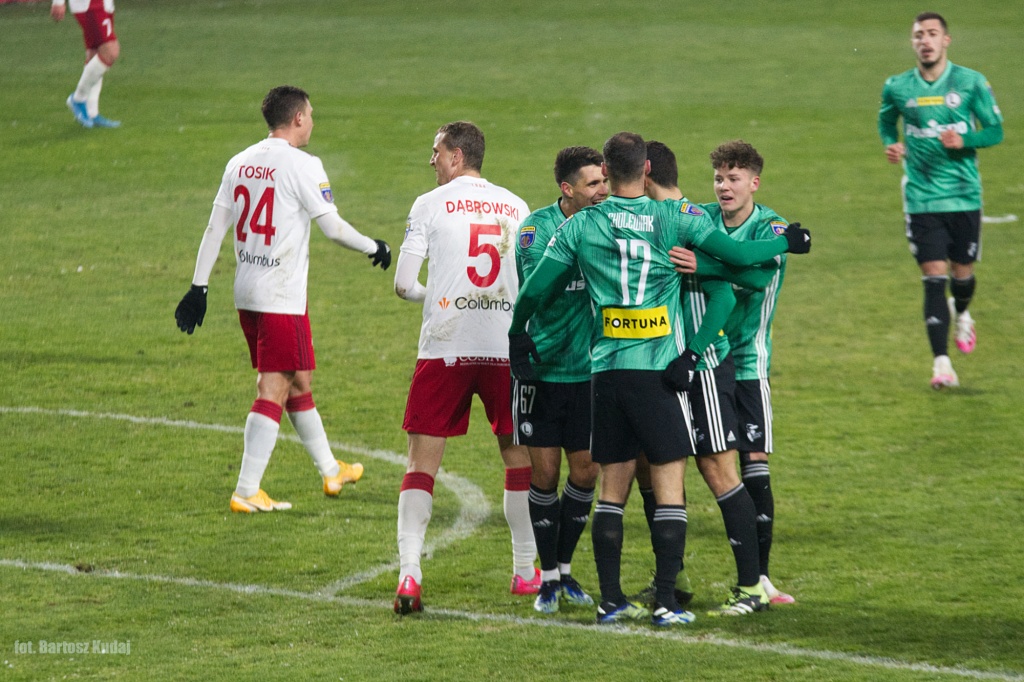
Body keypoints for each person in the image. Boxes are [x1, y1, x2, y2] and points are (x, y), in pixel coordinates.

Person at [509, 132, 810, 627]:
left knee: (613, 489)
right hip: (659, 373)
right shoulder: (676, 218)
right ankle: (668, 600)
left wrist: (518, 335)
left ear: (606, 171)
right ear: (646, 168)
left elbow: (536, 288)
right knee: (670, 485)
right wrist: (787, 242)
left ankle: (611, 601)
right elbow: (735, 259)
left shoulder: (581, 224)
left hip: (604, 373)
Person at [174, 85, 391, 514]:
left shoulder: (240, 161)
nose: (312, 122)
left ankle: (331, 470)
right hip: (280, 296)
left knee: (299, 379)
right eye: (310, 115)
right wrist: (374, 246)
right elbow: (332, 228)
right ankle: (247, 489)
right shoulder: (303, 165)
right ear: (296, 119)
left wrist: (199, 287)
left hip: (247, 292)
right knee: (273, 385)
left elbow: (215, 229)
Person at [392, 121, 536, 615]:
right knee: (518, 459)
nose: (430, 160)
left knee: (421, 466)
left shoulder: (429, 204)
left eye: (435, 152)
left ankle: (410, 574)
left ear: (456, 156)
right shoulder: (518, 206)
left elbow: (405, 283)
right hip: (505, 349)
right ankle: (524, 572)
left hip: (444, 348)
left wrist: (440, 299)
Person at [645, 140, 789, 616]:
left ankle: (756, 581)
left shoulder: (771, 226)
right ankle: (675, 580)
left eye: (733, 178)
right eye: (719, 178)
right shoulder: (698, 215)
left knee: (743, 468)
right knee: (664, 467)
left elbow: (753, 276)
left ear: (754, 182)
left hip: (736, 359)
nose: (724, 187)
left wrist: (703, 264)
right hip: (695, 358)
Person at [878, 11, 1004, 389]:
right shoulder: (897, 86)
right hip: (921, 198)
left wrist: (966, 140)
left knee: (962, 276)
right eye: (919, 35)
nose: (925, 41)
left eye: (932, 34)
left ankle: (963, 313)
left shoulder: (971, 82)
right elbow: (886, 123)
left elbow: (995, 130)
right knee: (934, 278)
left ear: (946, 40)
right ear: (913, 42)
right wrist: (891, 144)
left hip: (964, 195)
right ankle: (942, 364)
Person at [513, 146, 607, 614]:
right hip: (542, 370)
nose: (603, 192)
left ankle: (565, 570)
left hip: (589, 371)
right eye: (593, 184)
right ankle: (546, 577)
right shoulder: (535, 230)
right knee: (545, 475)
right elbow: (541, 287)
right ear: (567, 190)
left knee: (586, 472)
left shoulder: (606, 219)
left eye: (605, 182)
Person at [51, 0, 122, 128]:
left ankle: (92, 113)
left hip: (103, 4)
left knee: (96, 54)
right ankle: (78, 99)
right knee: (110, 51)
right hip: (90, 4)